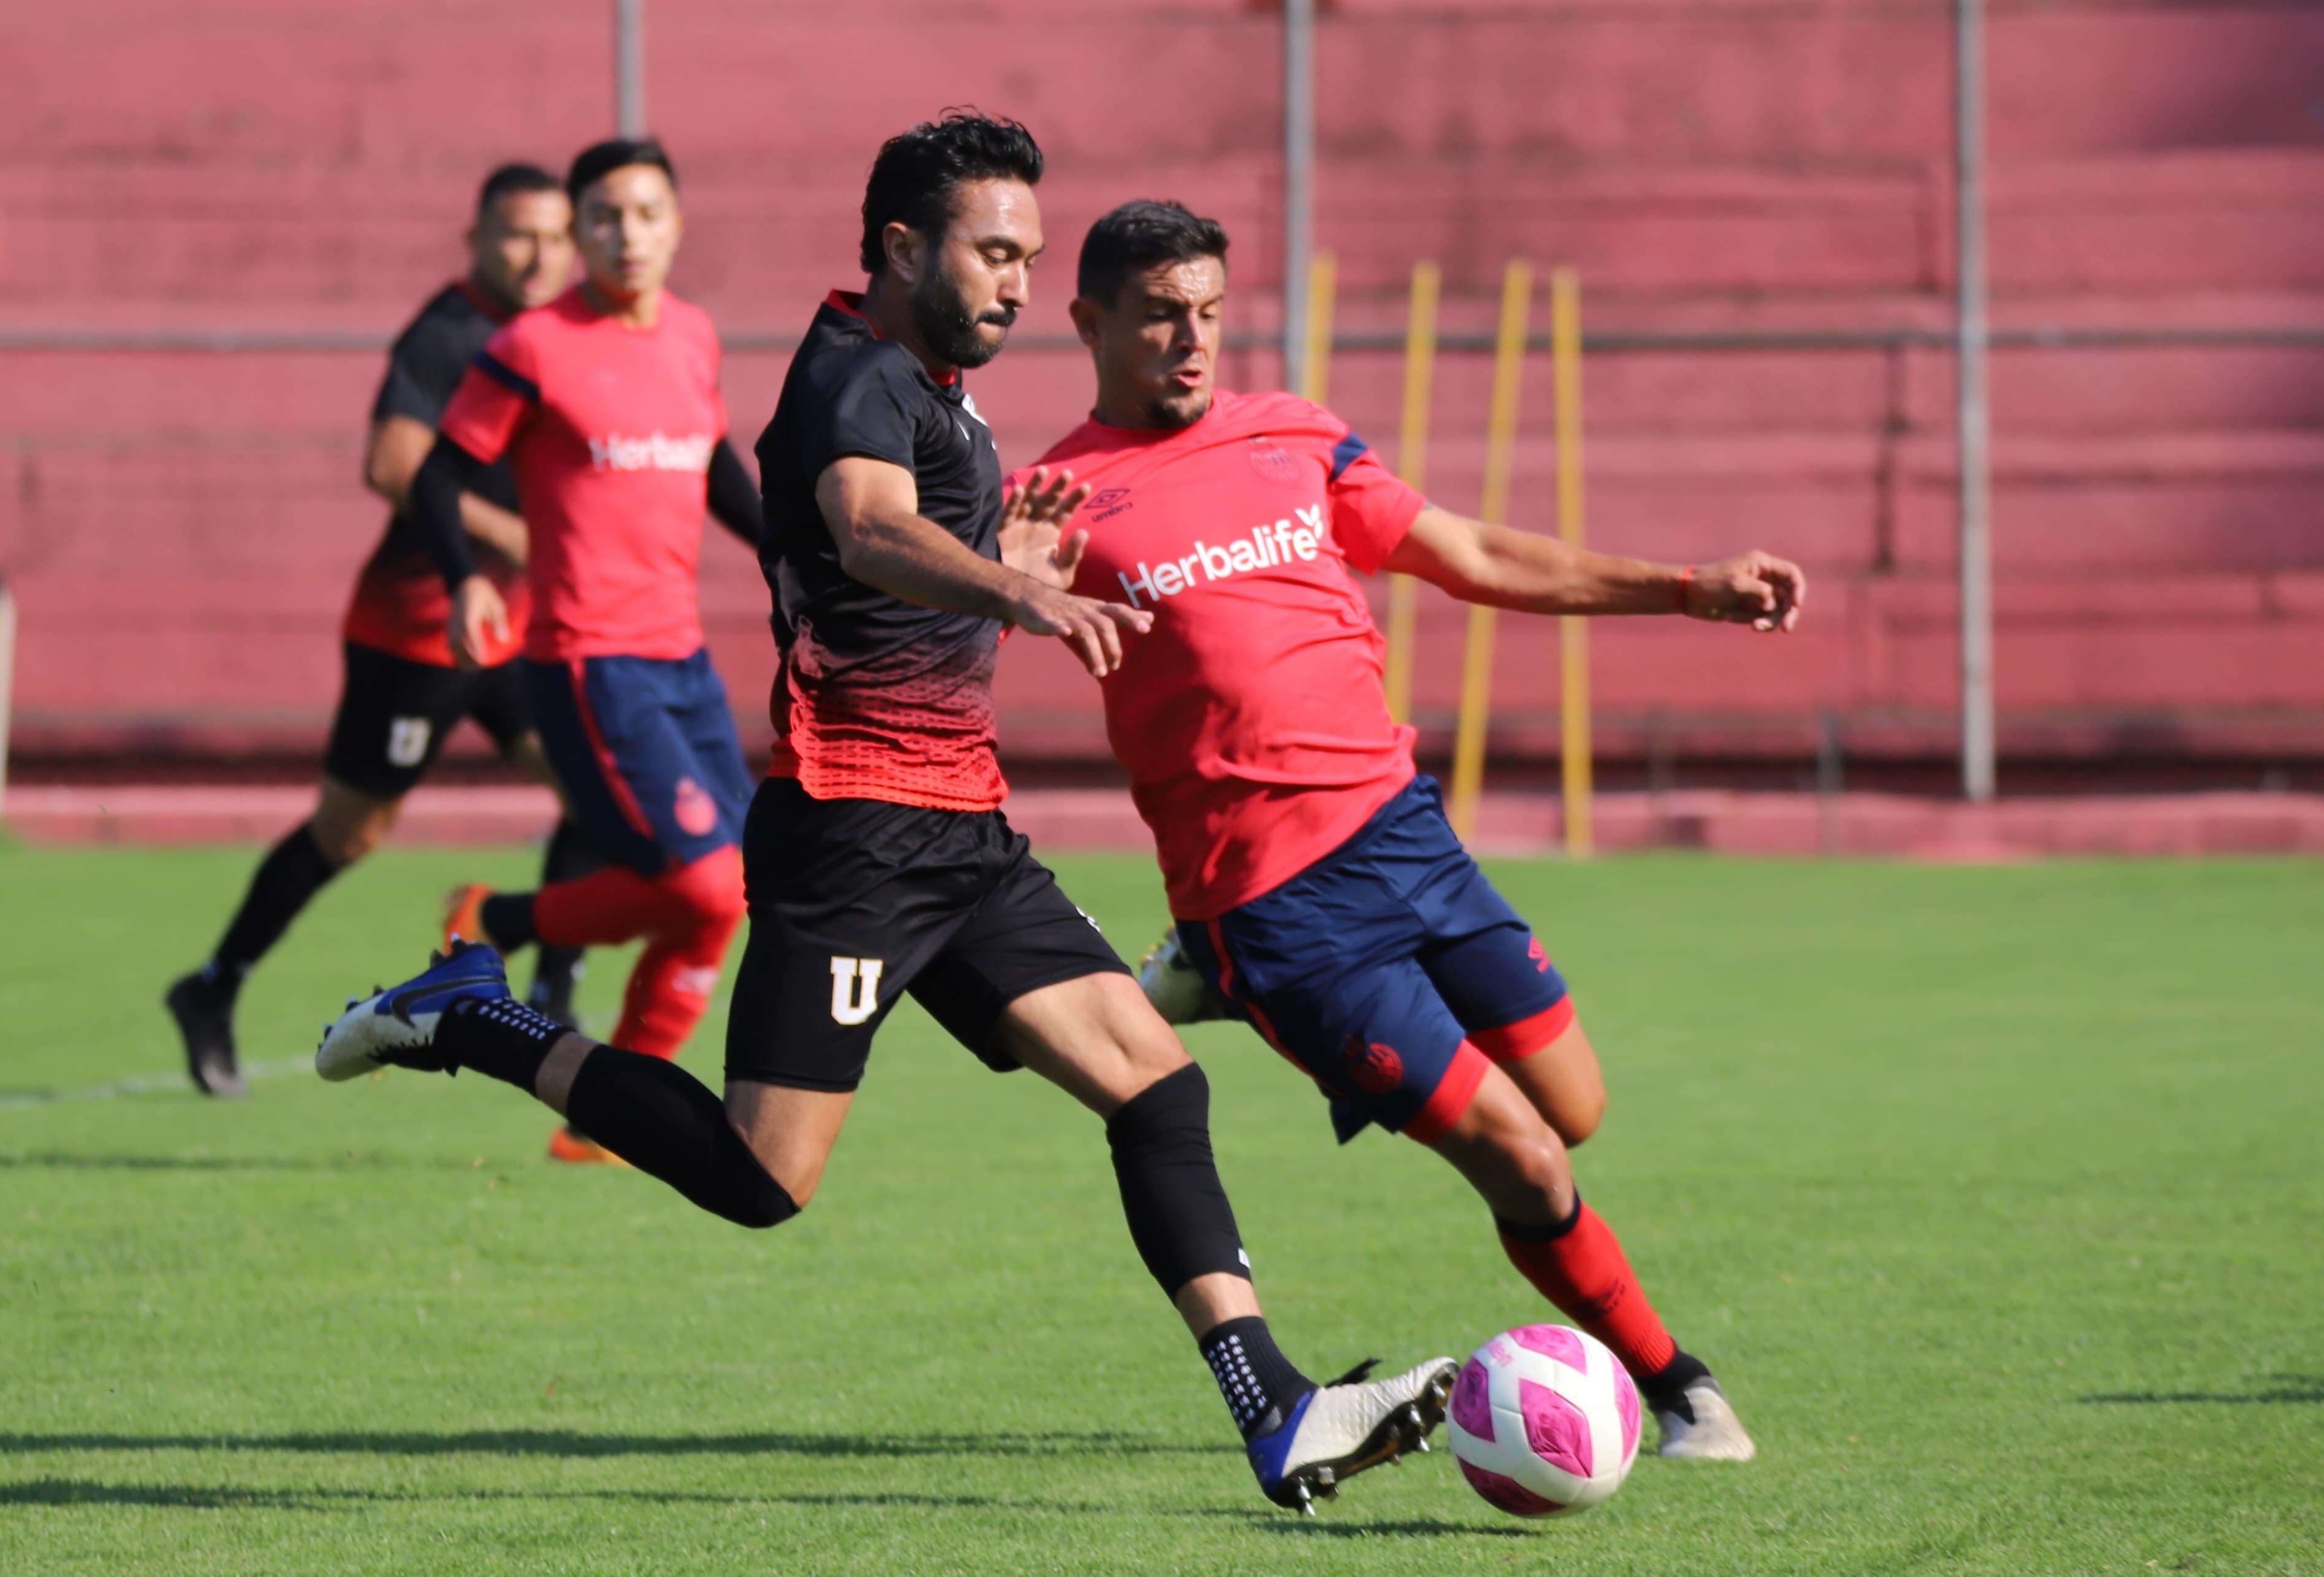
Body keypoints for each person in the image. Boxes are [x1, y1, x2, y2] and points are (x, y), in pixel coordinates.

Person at [315, 114, 1451, 1513]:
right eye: (994, 252)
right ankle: (472, 1015)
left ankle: (1272, 1404)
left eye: (1030, 257)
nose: (1020, 284)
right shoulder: (853, 373)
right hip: (850, 831)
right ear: (903, 246)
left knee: (1158, 1081)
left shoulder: (932, 378)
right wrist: (1016, 583)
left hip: (961, 831)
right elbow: (864, 529)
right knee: (759, 1179)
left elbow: (895, 565)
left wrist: (1002, 556)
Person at [1009, 199, 1803, 1466]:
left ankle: (1204, 976)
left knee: (1576, 1108)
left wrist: (1686, 588)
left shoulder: (1294, 435)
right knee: (1527, 1161)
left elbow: (1472, 551)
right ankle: (1679, 1386)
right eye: (1160, 314)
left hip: (1406, 835)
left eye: (1208, 311)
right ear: (1090, 321)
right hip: (1280, 904)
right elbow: (932, 650)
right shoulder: (1056, 496)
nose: (1190, 339)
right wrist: (1003, 578)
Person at [165, 163, 591, 1100]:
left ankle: (555, 991)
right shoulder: (449, 333)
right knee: (351, 832)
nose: (539, 254)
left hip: (514, 632)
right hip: (417, 631)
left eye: (556, 236)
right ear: (475, 237)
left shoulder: (557, 334)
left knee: (595, 792)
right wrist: (512, 533)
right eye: (519, 234)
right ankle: (212, 984)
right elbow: (391, 461)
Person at [405, 137, 766, 1164]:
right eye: (602, 218)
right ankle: (501, 922)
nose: (627, 235)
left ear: (677, 225)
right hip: (584, 661)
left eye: (647, 214)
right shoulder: (533, 346)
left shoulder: (692, 336)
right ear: (578, 233)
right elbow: (438, 471)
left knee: (735, 887)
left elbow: (714, 468)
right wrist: (470, 574)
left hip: (681, 659)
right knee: (703, 887)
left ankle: (601, 1115)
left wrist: (793, 552)